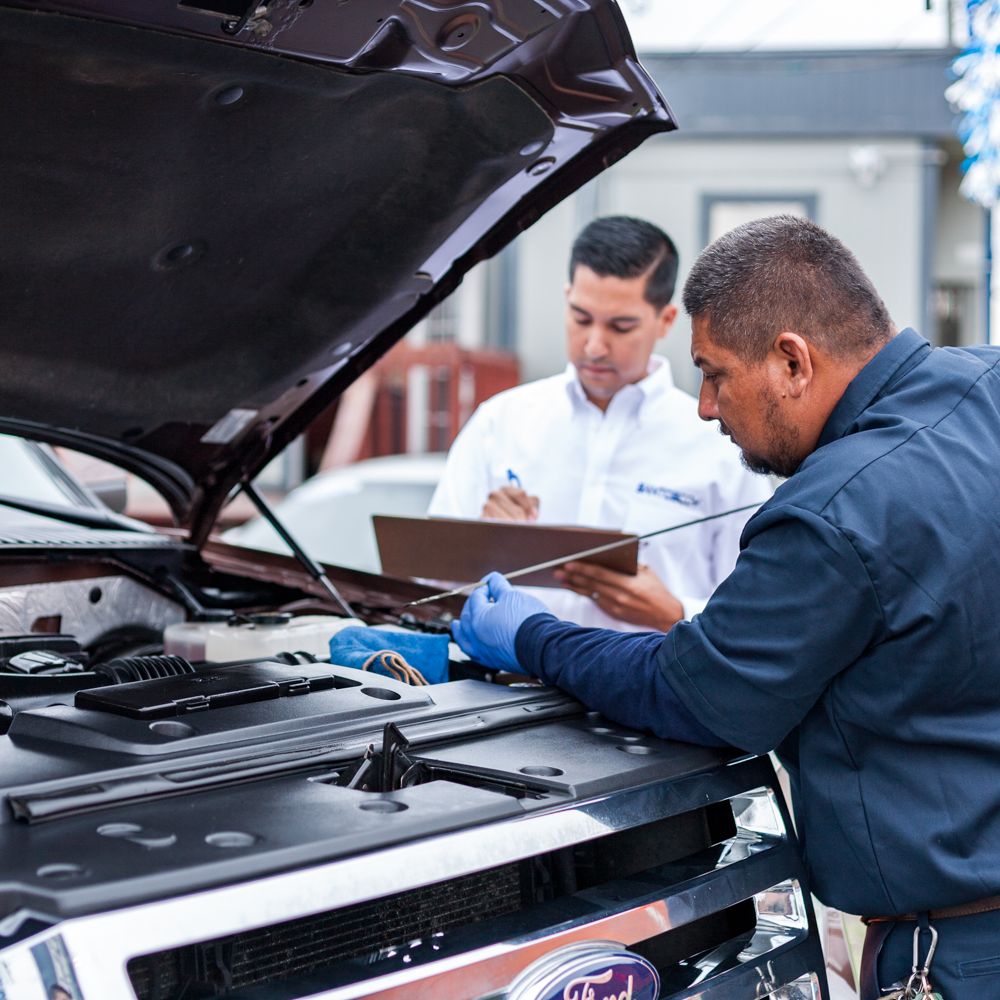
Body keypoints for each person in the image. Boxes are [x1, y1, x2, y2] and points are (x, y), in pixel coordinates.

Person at [452, 215, 1000, 999]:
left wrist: (532, 637)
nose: (707, 407)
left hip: (960, 951)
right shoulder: (989, 384)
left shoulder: (832, 509)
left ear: (790, 362)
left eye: (715, 374)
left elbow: (696, 691)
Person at [428, 216, 770, 631]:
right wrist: (485, 545)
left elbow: (754, 615)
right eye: (581, 318)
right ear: (567, 297)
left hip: (649, 685)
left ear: (664, 321)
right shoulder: (500, 422)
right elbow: (429, 588)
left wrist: (675, 612)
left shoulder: (720, 444)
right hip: (504, 685)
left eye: (620, 326)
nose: (594, 345)